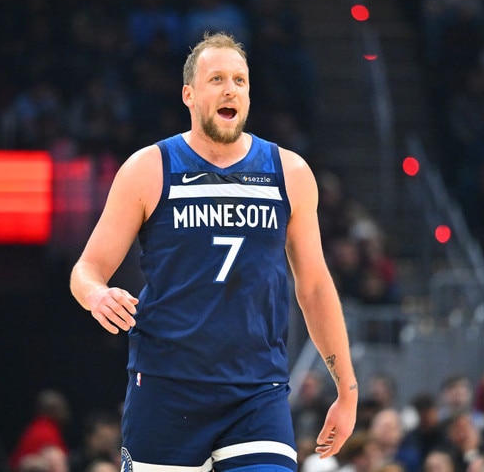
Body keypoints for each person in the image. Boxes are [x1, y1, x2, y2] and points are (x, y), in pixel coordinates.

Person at [69, 31, 358, 471]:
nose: (230, 89)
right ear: (188, 94)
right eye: (217, 79)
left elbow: (315, 287)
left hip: (256, 392)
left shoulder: (290, 172)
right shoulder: (149, 168)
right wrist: (96, 295)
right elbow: (87, 268)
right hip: (167, 388)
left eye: (240, 81)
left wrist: (347, 389)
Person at [9, 389, 71, 472]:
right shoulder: (46, 433)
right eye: (61, 408)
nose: (65, 413)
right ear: (51, 410)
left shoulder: (35, 428)